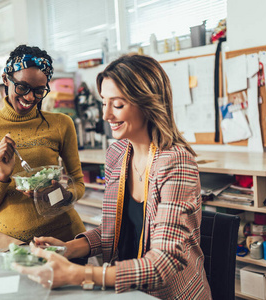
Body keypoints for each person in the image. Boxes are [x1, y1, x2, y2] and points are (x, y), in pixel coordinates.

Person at [14, 53, 212, 299]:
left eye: (117, 105)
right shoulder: (117, 153)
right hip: (127, 290)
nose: (106, 115)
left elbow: (165, 261)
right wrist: (68, 248)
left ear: (148, 103)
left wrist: (80, 275)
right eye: (104, 102)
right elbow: (113, 230)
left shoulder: (175, 163)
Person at [0, 45, 86, 243]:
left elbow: (78, 184)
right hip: (18, 244)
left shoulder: (61, 123)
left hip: (66, 239)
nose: (30, 98)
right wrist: (3, 177)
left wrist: (59, 195)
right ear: (5, 79)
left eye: (39, 91)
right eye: (22, 87)